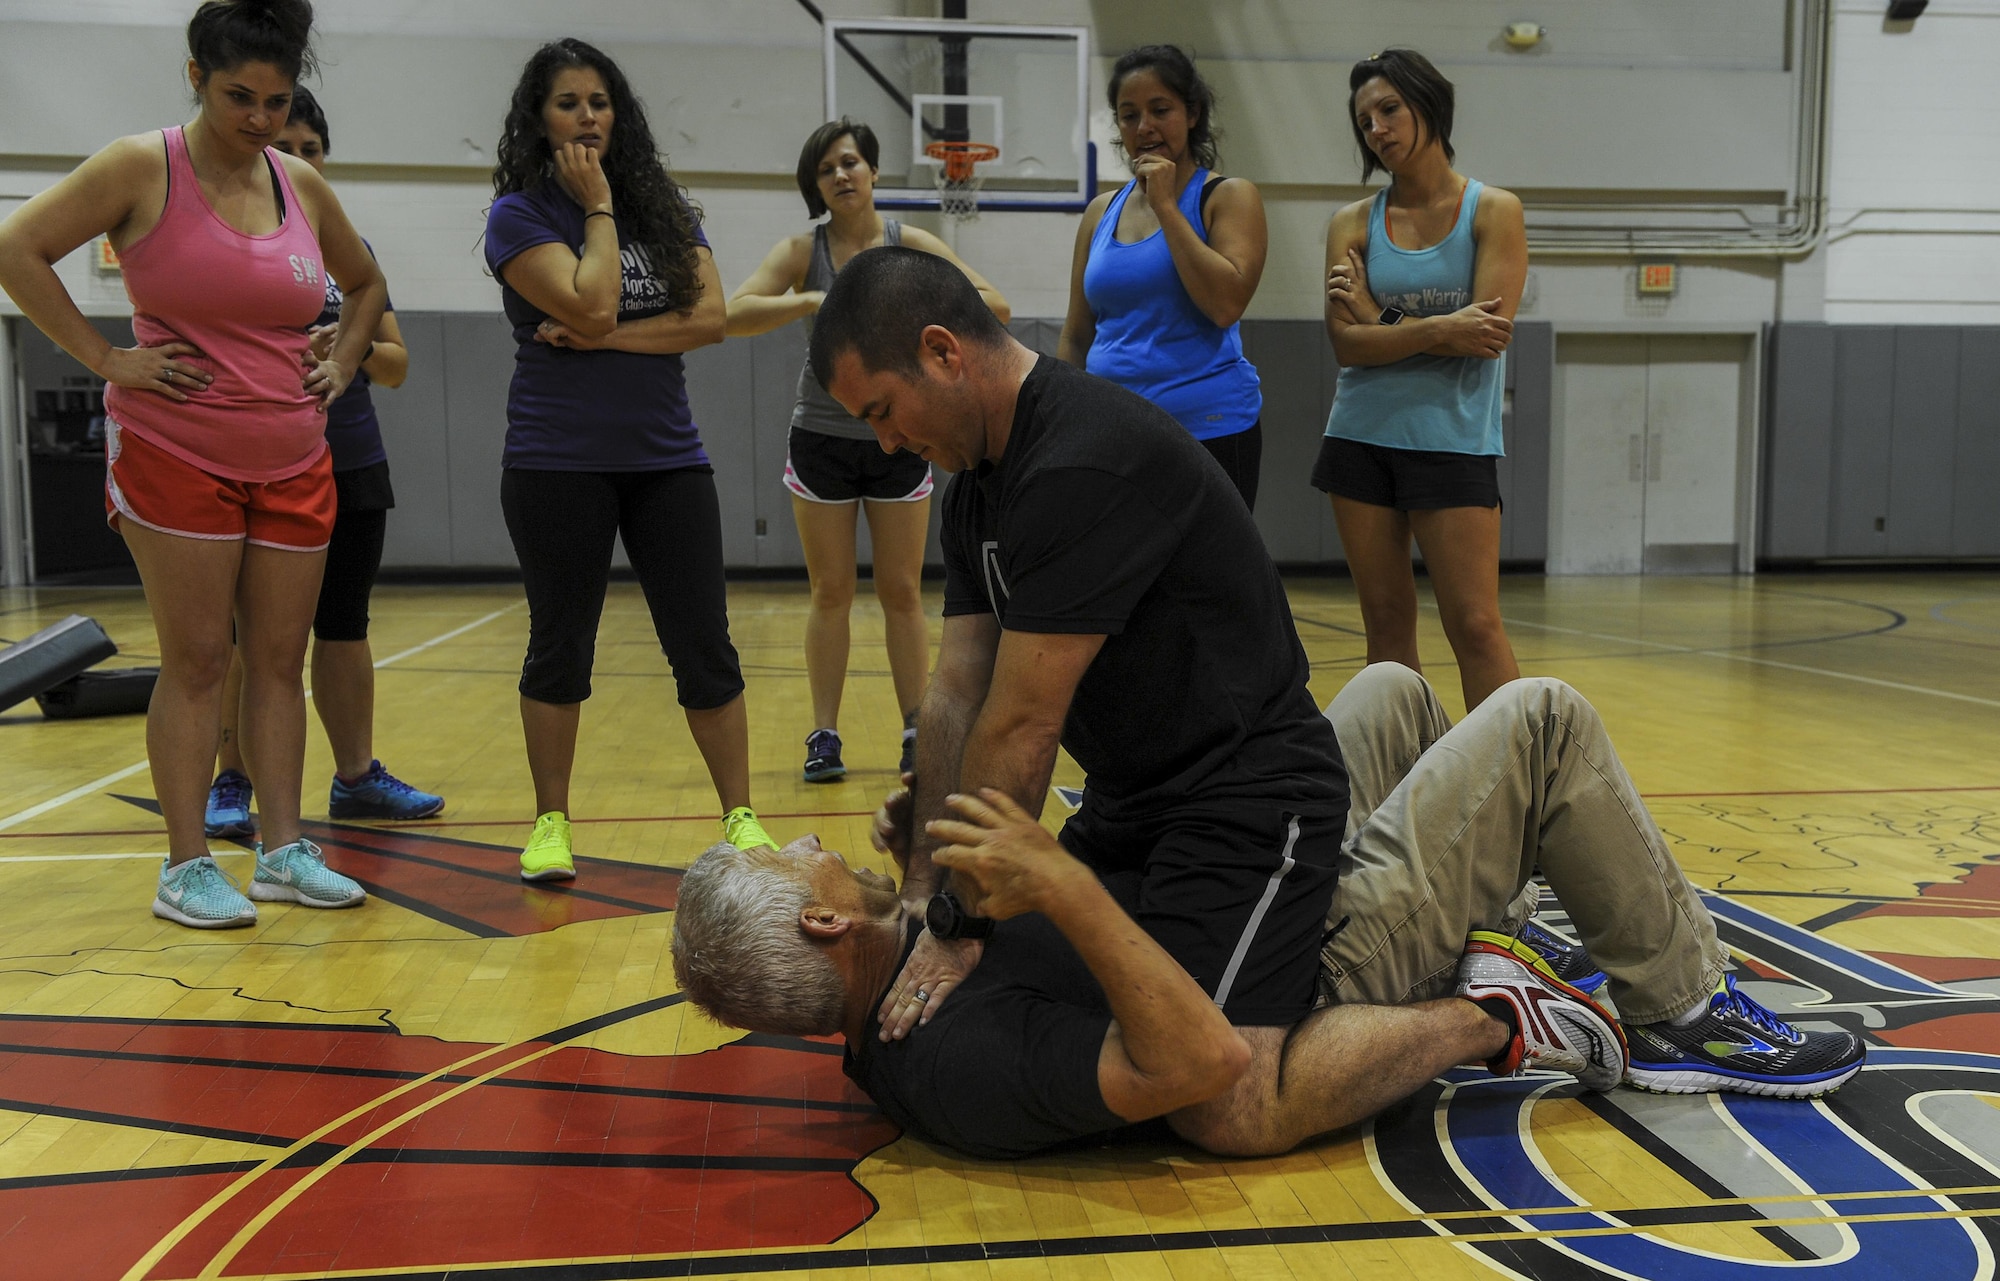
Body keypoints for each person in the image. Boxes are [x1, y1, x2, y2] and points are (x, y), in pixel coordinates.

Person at [672, 663, 1868, 1160]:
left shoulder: (905, 976)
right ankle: (1690, 1012)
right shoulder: (953, 1059)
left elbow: (1060, 924)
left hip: (1238, 897)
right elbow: (1196, 1063)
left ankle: (1486, 892)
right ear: (824, 930)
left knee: (1389, 693)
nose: (810, 839)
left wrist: (955, 880)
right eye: (797, 860)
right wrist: (1065, 884)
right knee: (1541, 719)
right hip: (1303, 973)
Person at [804, 245, 1352, 1155]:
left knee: (1225, 1104)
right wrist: (923, 893)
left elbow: (1021, 727)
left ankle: (1496, 1009)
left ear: (944, 351)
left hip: (1250, 798)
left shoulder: (1081, 460)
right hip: (1133, 805)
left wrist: (957, 924)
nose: (890, 444)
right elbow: (953, 695)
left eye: (883, 412)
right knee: (1042, 974)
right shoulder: (974, 487)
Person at [0, 0, 376, 927]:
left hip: (293, 453)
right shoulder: (140, 165)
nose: (258, 117)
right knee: (201, 659)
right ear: (197, 78)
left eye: (276, 101)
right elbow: (16, 248)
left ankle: (284, 851)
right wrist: (105, 356)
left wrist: (344, 357)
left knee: (279, 661)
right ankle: (185, 866)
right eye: (238, 96)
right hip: (177, 451)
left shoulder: (302, 185)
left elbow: (365, 283)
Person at [483, 38, 775, 883]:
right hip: (554, 461)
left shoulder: (666, 208)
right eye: (568, 102)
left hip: (666, 461)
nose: (587, 117)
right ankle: (550, 824)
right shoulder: (520, 216)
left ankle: (741, 815)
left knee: (704, 644)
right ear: (539, 118)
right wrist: (599, 209)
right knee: (559, 646)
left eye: (599, 101)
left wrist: (606, 333)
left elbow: (711, 317)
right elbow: (594, 299)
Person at [725, 118, 1010, 784]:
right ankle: (824, 733)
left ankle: (917, 726)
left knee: (902, 591)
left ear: (875, 173)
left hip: (902, 434)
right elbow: (731, 312)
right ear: (816, 184)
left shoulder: (904, 245)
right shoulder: (805, 250)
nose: (842, 175)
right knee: (830, 592)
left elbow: (994, 303)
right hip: (822, 438)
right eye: (827, 168)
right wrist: (810, 299)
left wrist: (916, 310)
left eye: (851, 162)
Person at [204, 84, 445, 838]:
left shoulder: (349, 252)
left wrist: (347, 345)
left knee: (345, 625)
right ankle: (231, 780)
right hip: (259, 461)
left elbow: (397, 364)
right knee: (252, 636)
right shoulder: (230, 239)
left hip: (351, 462)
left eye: (312, 150)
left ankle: (356, 777)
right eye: (287, 146)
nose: (298, 159)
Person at [1318, 48, 1526, 712]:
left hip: (1454, 442)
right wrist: (1437, 328)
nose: (1377, 129)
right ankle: (1400, 790)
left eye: (1389, 110)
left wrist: (1382, 318)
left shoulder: (1494, 211)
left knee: (1475, 625)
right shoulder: (1351, 222)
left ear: (1428, 106)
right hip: (1360, 436)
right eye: (1365, 121)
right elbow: (1347, 346)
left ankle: (1514, 782)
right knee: (1385, 631)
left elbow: (1484, 340)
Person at [1056, 45, 1266, 509]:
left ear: (1192, 113)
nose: (1144, 127)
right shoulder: (1099, 212)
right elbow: (1076, 334)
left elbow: (1225, 303)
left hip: (1209, 430)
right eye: (1128, 115)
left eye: (1159, 110)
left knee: (1202, 580)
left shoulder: (1228, 197)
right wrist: (1063, 423)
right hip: (1113, 435)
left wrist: (1167, 206)